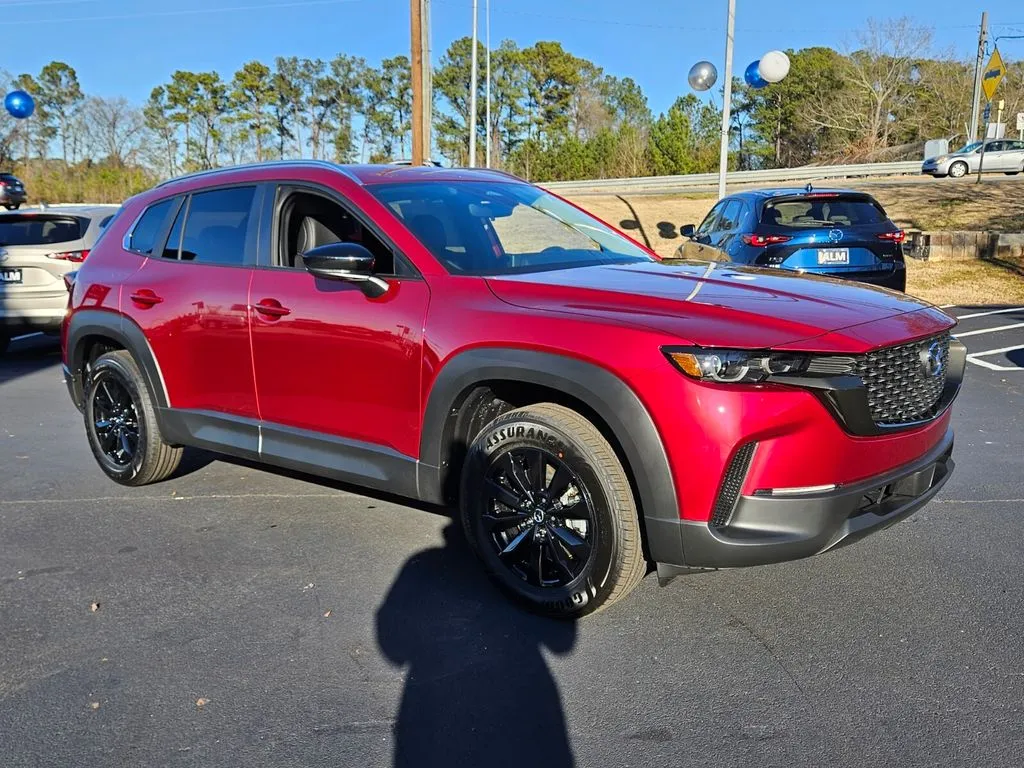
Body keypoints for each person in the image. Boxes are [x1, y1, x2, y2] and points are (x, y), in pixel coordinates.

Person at [376, 521, 577, 768]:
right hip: (531, 692)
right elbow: (563, 645)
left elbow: (392, 645)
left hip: (433, 713)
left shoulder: (421, 561)